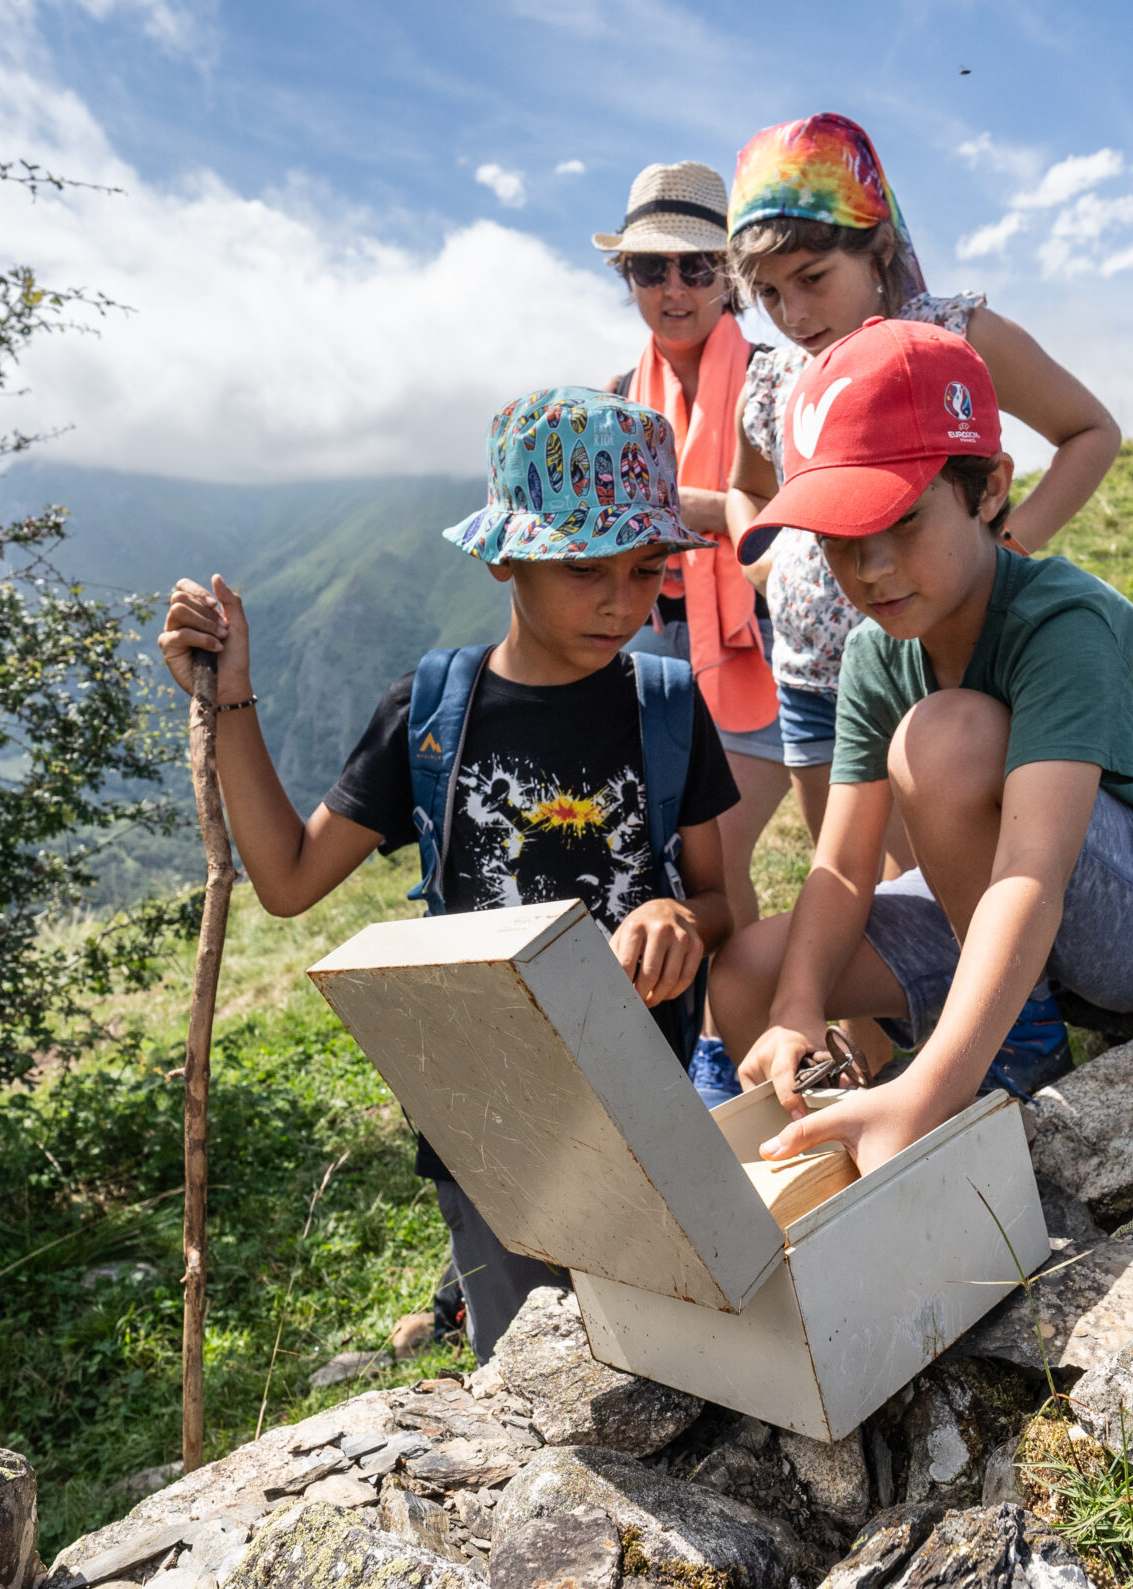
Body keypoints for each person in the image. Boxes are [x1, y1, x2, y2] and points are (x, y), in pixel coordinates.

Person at [156, 389, 740, 1360]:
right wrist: (232, 700)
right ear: (503, 557)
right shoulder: (433, 712)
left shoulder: (667, 704)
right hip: (488, 1120)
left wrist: (685, 917)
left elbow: (724, 900)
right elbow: (290, 878)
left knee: (671, 1345)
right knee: (534, 1366)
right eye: (583, 567)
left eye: (645, 571)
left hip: (648, 1096)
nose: (620, 601)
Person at [708, 319, 1133, 1176]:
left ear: (990, 488)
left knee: (947, 737)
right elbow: (844, 867)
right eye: (839, 535)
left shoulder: (1063, 623)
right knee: (747, 972)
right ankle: (824, 1143)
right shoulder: (872, 650)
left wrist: (933, 1088)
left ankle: (1010, 1058)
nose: (872, 567)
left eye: (902, 520)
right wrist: (798, 1004)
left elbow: (1033, 870)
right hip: (1001, 904)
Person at [715, 112, 1123, 1094]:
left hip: (948, 659)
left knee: (946, 846)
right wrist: (759, 560)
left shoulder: (955, 337)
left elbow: (1088, 429)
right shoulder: (773, 380)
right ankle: (885, 1062)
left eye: (814, 280)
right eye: (768, 294)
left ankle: (1002, 1043)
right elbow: (744, 486)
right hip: (825, 673)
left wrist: (1006, 546)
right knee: (862, 876)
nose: (794, 312)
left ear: (879, 246)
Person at [594, 162, 790, 936]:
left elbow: (798, 522)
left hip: (762, 636)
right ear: (628, 275)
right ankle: (720, 1034)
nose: (672, 290)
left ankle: (737, 1033)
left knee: (710, 848)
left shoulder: (776, 378)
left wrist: (691, 508)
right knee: (686, 858)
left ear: (729, 274)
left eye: (696, 266)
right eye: (649, 268)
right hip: (653, 643)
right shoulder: (614, 396)